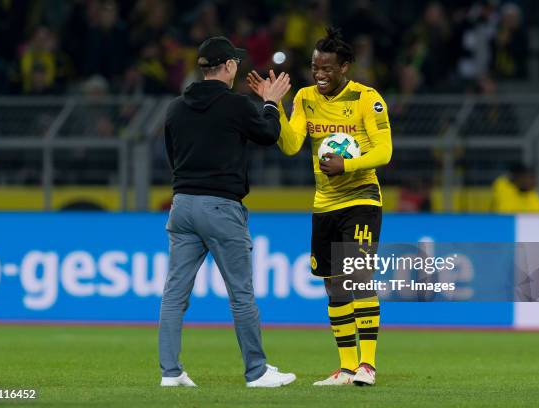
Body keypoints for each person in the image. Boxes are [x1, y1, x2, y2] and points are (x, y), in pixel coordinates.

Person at [248, 27, 392, 386]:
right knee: (334, 285)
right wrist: (275, 106)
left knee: (359, 276)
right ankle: (346, 369)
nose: (320, 74)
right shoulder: (306, 98)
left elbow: (384, 151)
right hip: (325, 203)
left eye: (327, 68)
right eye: (315, 68)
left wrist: (348, 165)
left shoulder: (367, 98)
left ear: (345, 66)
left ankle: (368, 365)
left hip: (361, 198)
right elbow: (292, 144)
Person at [159, 36, 295, 388]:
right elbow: (267, 135)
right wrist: (270, 103)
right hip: (221, 206)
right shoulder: (235, 106)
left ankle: (170, 373)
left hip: (183, 205)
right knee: (240, 293)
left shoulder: (175, 108)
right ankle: (257, 371)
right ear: (230, 66)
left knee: (175, 294)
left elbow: (173, 157)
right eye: (235, 62)